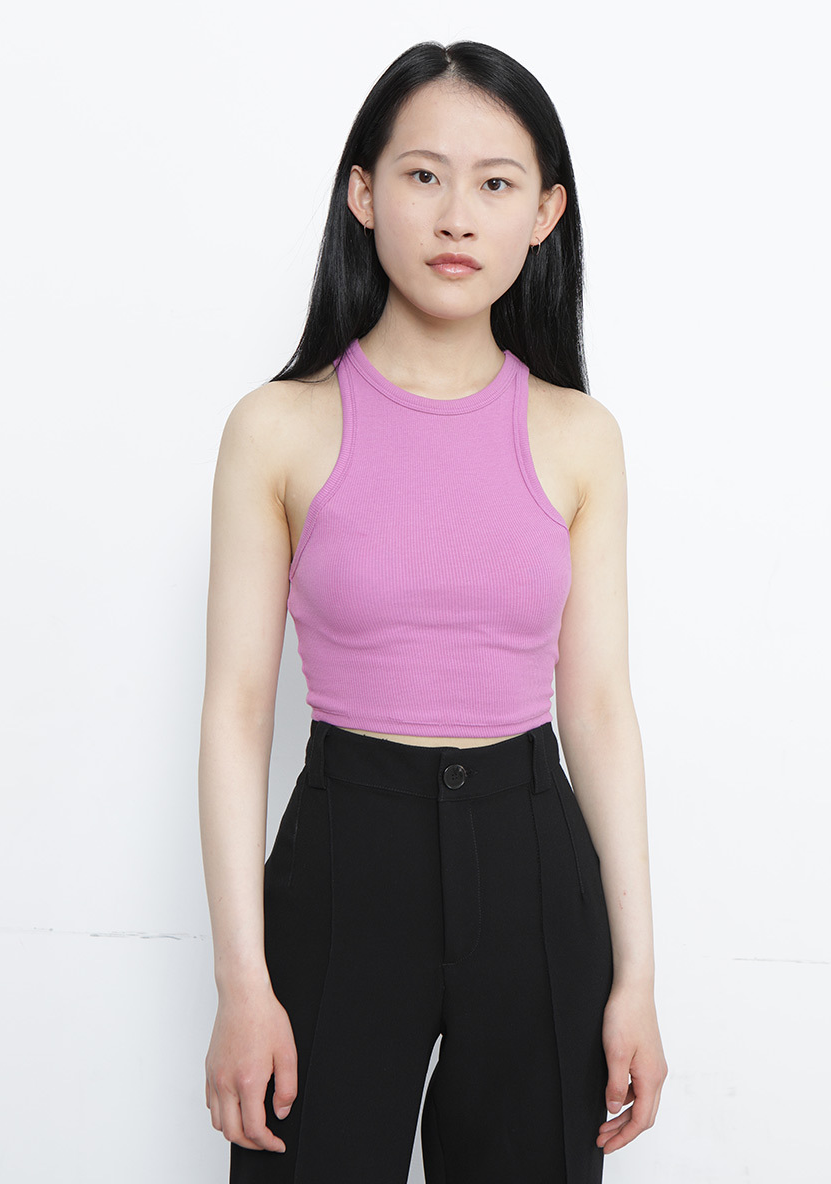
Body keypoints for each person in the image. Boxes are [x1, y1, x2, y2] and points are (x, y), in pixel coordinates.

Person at [198, 39, 668, 1184]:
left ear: (543, 213)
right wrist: (242, 981)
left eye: (496, 183)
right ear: (362, 192)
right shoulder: (277, 426)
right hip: (344, 858)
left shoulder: (578, 436)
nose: (457, 215)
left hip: (532, 856)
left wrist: (636, 979)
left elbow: (599, 708)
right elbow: (237, 709)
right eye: (422, 175)